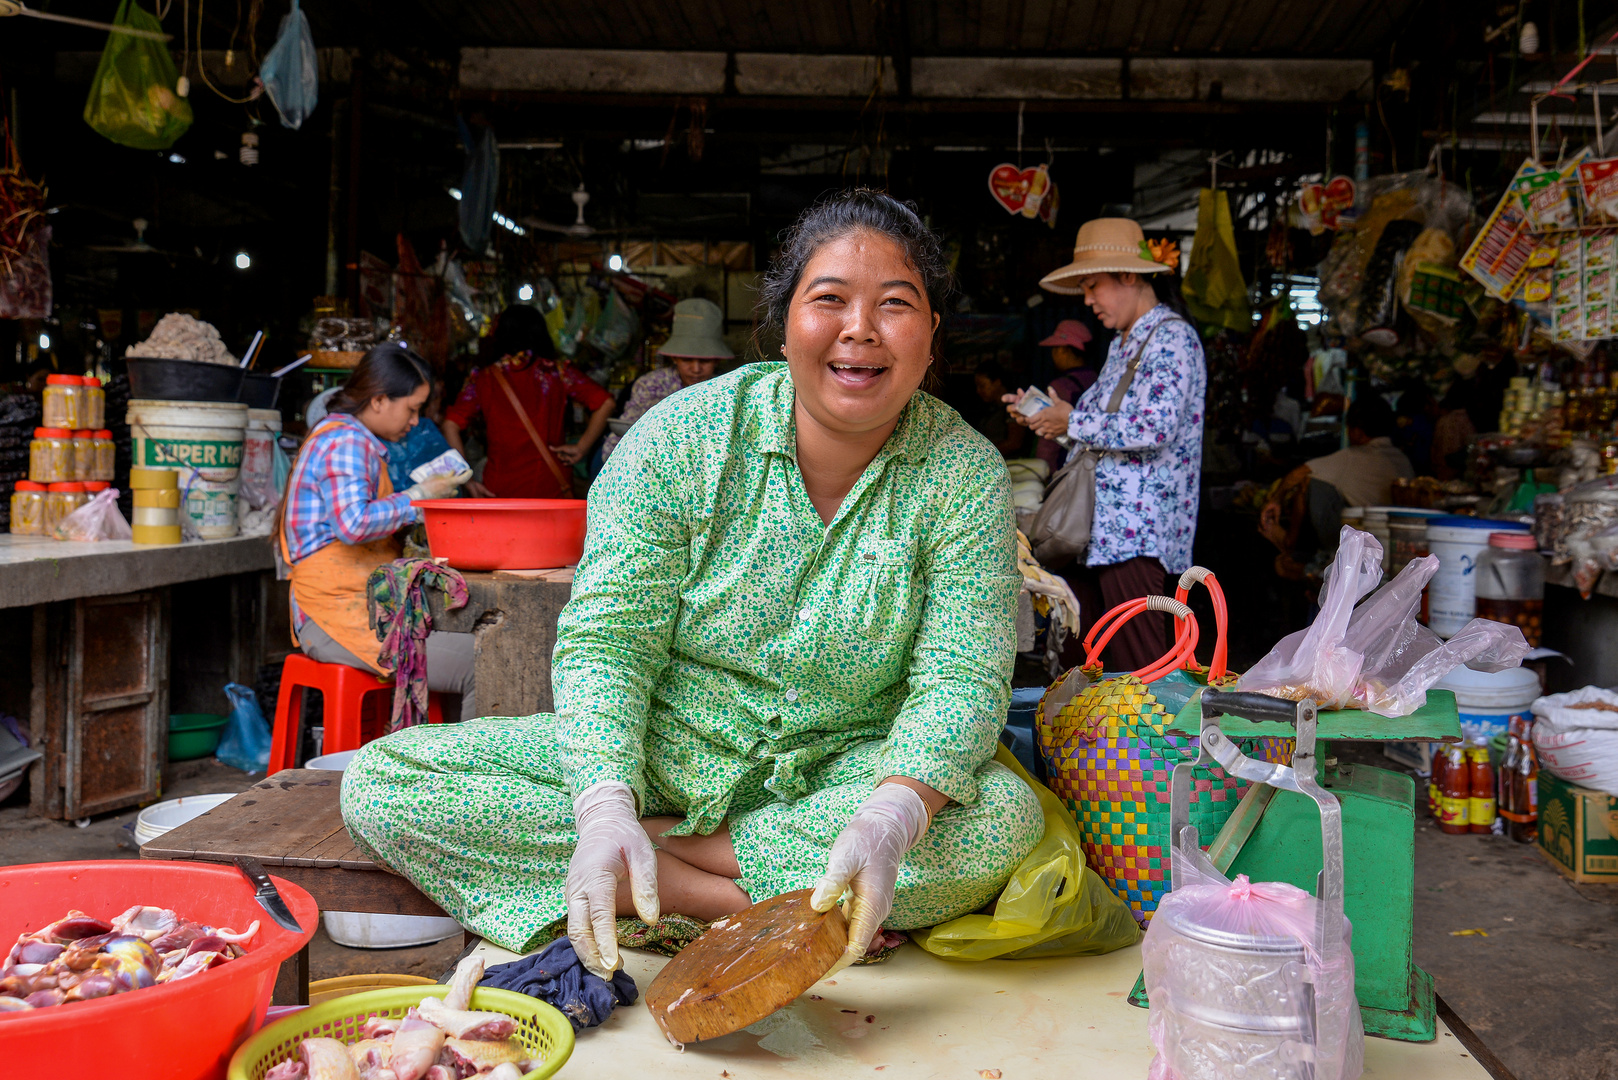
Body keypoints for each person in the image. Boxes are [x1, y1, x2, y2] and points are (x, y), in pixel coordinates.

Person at [341, 190, 1043, 981]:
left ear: (931, 338)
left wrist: (889, 815)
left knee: (1000, 821)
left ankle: (666, 870)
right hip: (662, 756)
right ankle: (731, 895)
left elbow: (962, 675)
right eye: (831, 300)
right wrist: (607, 803)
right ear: (781, 326)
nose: (861, 330)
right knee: (383, 781)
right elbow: (611, 639)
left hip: (842, 770)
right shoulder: (681, 439)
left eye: (895, 305)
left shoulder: (964, 472)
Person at [1004, 218, 1207, 672]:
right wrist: (1054, 420)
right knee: (1088, 657)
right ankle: (1098, 743)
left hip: (1135, 533)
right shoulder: (1125, 344)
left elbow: (1154, 427)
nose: (1088, 300)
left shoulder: (1171, 338)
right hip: (1102, 534)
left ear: (1130, 276)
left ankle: (1156, 744)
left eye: (1094, 286)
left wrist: (1071, 419)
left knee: (1143, 665)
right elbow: (1109, 432)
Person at [277, 344, 478, 720]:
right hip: (332, 613)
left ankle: (439, 767)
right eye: (412, 408)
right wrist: (418, 497)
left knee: (472, 649)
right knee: (480, 664)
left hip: (356, 603)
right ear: (380, 400)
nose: (416, 421)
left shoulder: (351, 439)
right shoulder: (346, 441)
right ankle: (469, 777)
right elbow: (353, 525)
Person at [441, 305, 615, 498]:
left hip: (501, 490)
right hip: (551, 486)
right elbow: (605, 402)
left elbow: (450, 425)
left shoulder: (484, 378)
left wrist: (467, 480)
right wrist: (582, 447)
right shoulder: (557, 372)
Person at [1259, 395, 1414, 578]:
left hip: (1360, 553)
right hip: (1397, 550)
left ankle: (1293, 547)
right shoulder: (1403, 461)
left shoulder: (1352, 457)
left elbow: (1298, 474)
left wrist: (1275, 499)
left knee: (1311, 481)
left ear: (1357, 432)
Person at [601, 297, 730, 461]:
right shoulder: (650, 385)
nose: (696, 369)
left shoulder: (726, 390)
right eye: (687, 360)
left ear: (717, 360)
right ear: (674, 358)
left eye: (705, 361)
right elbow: (619, 440)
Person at [1033, 320, 1098, 469]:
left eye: (1055, 349)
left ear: (1063, 349)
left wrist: (1042, 469)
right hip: (1090, 463)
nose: (1053, 355)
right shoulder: (1096, 379)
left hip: (1063, 464)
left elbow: (1047, 437)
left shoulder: (1060, 387)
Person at [973, 363, 1026, 457]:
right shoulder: (991, 407)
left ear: (997, 382)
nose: (978, 391)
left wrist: (982, 454)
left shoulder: (1013, 406)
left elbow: (1014, 443)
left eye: (982, 386)